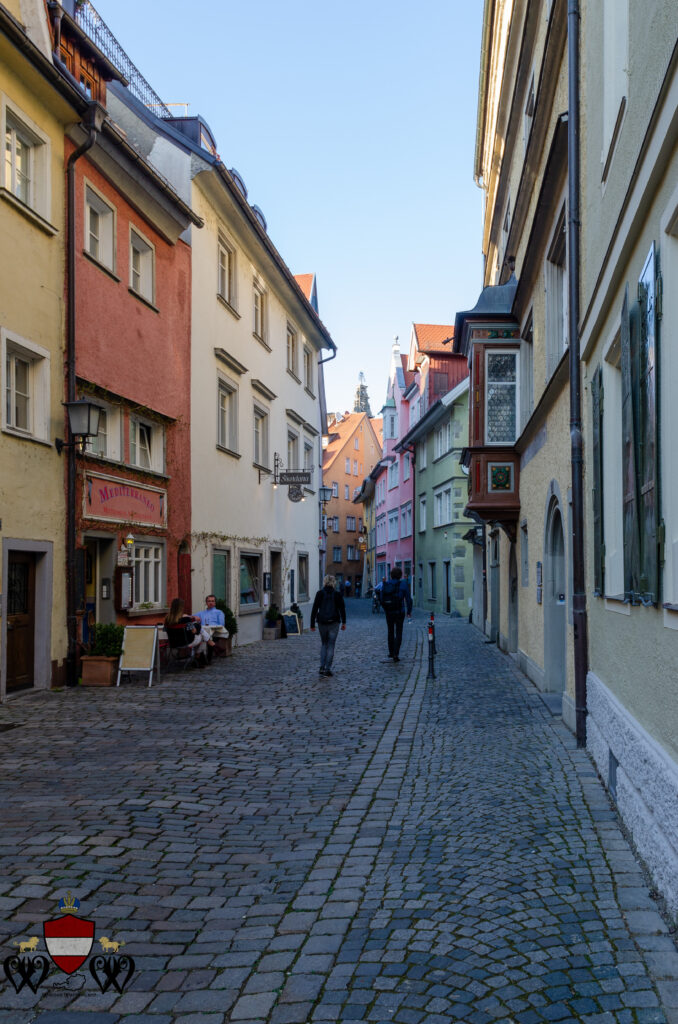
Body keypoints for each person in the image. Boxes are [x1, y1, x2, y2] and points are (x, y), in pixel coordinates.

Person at [310, 574, 346, 676]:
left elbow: (314, 608)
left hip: (322, 622)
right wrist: (344, 622)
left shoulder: (319, 593)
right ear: (334, 582)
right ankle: (327, 668)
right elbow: (342, 609)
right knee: (331, 645)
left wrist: (312, 624)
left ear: (324, 582)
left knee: (324, 644)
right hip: (334, 622)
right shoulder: (337, 594)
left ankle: (322, 666)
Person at [378, 566, 412, 662]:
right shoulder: (404, 584)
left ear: (391, 575)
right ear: (400, 575)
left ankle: (391, 652)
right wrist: (409, 611)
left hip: (389, 612)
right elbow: (409, 599)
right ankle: (396, 654)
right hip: (399, 611)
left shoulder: (386, 584)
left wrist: (385, 608)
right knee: (399, 632)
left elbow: (381, 598)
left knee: (390, 631)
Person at [164, 598, 208, 667]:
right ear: (181, 608)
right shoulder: (186, 619)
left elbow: (165, 630)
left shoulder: (167, 619)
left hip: (173, 643)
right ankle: (197, 657)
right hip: (187, 642)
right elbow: (194, 631)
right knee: (203, 637)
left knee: (203, 635)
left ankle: (198, 657)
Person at [196, 594, 229, 662]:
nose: (211, 602)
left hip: (215, 633)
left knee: (205, 637)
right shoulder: (201, 613)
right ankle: (202, 658)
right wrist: (192, 617)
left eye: (212, 601)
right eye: (209, 601)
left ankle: (204, 658)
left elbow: (221, 625)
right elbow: (191, 617)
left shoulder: (219, 612)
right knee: (202, 636)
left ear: (215, 602)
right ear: (206, 603)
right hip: (203, 633)